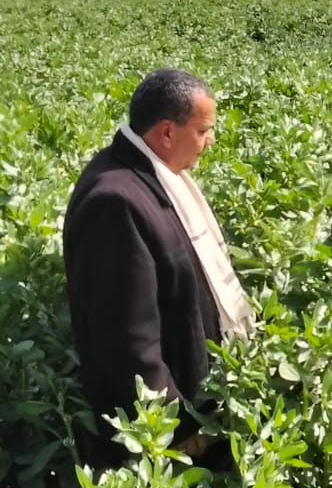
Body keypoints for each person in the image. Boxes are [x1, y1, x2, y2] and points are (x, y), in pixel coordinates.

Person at [63, 68, 254, 465]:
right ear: (167, 132)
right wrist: (176, 427)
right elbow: (129, 342)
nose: (210, 141)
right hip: (172, 434)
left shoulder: (147, 175)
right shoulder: (115, 202)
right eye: (203, 131)